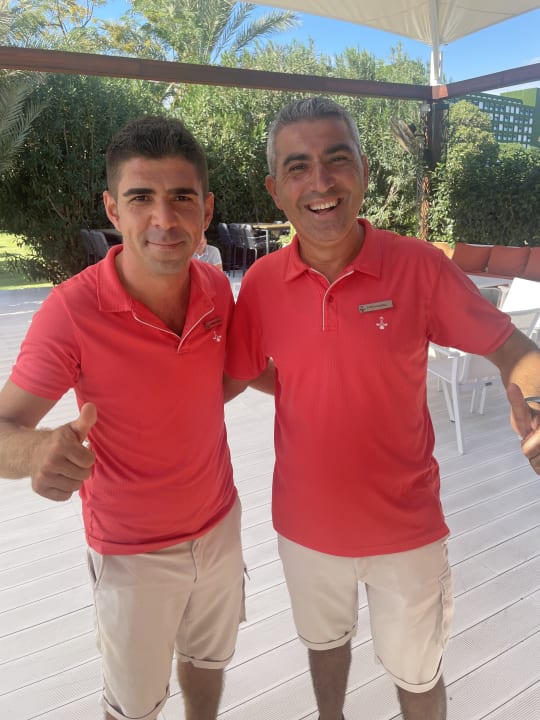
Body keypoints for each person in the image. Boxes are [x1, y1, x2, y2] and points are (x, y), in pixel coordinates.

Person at [223, 96, 540, 720]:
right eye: (298, 167)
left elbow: (513, 348)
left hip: (406, 530)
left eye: (338, 159)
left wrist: (531, 396)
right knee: (324, 646)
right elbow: (234, 373)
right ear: (275, 190)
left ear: (364, 171)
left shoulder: (417, 266)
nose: (321, 182)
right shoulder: (260, 284)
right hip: (305, 525)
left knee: (419, 676)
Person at [0, 116, 245, 720]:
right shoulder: (72, 310)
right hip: (132, 552)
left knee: (209, 660)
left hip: (220, 522)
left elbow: (217, 383)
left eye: (181, 197)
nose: (164, 219)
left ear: (206, 209)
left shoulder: (216, 289)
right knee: (134, 706)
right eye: (141, 198)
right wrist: (38, 451)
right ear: (113, 209)